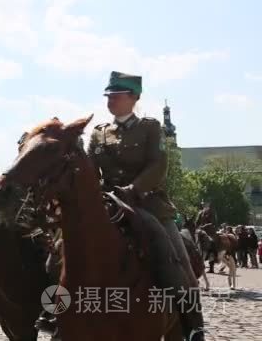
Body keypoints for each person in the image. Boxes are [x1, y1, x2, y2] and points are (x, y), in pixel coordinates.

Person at [87, 71, 205, 341]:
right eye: (108, 95)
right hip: (109, 208)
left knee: (179, 264)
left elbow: (158, 166)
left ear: (134, 97)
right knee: (60, 251)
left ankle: (193, 327)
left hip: (149, 205)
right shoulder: (98, 134)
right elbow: (91, 173)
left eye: (117, 95)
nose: (111, 100)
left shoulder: (151, 128)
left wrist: (133, 189)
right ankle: (57, 313)